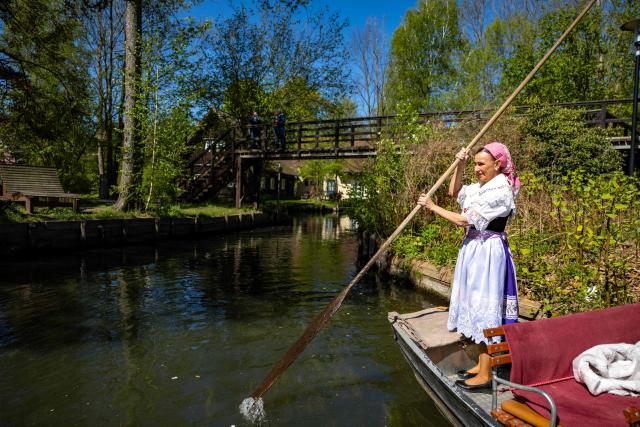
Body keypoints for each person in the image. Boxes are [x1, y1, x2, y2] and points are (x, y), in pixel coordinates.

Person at [417, 142, 520, 391]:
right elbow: (455, 191)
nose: (477, 169)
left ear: (497, 164)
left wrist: (432, 207)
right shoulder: (481, 187)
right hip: (474, 250)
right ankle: (481, 365)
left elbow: (465, 220)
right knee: (473, 306)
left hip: (488, 254)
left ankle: (486, 374)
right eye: (474, 164)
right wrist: (460, 164)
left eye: (480, 164)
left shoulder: (501, 191)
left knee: (485, 309)